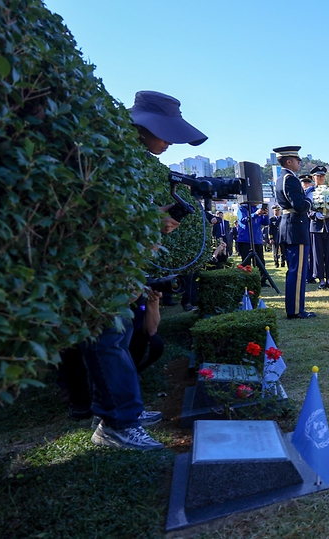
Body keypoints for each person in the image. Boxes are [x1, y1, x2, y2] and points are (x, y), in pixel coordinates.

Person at [84, 90, 206, 450]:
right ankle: (117, 423)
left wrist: (153, 221)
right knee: (107, 340)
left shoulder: (126, 155)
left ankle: (122, 412)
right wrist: (150, 220)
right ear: (143, 126)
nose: (169, 141)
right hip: (103, 266)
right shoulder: (112, 154)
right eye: (164, 132)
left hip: (119, 263)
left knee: (117, 338)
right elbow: (102, 212)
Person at [273, 146, 315, 318]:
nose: (299, 162)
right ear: (289, 161)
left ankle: (294, 308)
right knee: (298, 271)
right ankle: (296, 310)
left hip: (289, 226)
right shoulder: (290, 179)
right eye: (297, 160)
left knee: (294, 270)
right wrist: (310, 201)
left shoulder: (282, 178)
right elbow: (299, 205)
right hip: (295, 227)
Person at [309, 165, 329, 289]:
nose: (321, 178)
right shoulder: (309, 192)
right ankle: (320, 280)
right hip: (316, 226)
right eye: (318, 176)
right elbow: (306, 209)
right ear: (313, 177)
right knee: (317, 253)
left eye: (323, 176)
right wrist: (315, 214)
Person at [301, 174, 317, 284]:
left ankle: (313, 274)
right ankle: (306, 275)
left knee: (313, 251)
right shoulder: (301, 194)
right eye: (304, 183)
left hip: (313, 224)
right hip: (303, 225)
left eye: (308, 183)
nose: (306, 185)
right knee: (305, 252)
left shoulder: (313, 193)